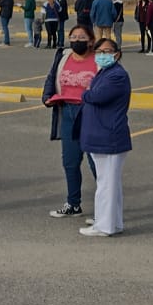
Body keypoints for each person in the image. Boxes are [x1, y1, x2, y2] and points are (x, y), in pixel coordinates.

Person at [42, 25, 98, 218]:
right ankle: (73, 203)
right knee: (70, 161)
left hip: (90, 113)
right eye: (73, 37)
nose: (76, 40)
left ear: (91, 40)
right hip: (66, 111)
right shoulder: (64, 56)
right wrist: (47, 97)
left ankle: (105, 208)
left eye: (81, 37)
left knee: (96, 163)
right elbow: (52, 77)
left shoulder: (98, 59)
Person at [78, 38, 131, 237]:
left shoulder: (116, 75)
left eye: (107, 51)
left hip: (109, 136)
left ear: (116, 54)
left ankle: (104, 226)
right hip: (101, 134)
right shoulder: (105, 72)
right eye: (99, 51)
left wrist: (85, 94)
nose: (102, 55)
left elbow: (96, 96)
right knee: (109, 183)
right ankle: (113, 223)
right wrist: (88, 92)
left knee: (106, 185)